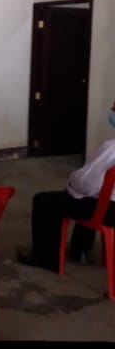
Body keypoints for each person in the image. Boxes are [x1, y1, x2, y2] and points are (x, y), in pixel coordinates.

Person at [18, 103, 115, 272]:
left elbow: (85, 183)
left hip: (108, 211)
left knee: (46, 201)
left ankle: (45, 257)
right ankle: (80, 250)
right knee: (88, 198)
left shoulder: (110, 148)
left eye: (114, 109)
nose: (111, 112)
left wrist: (72, 183)